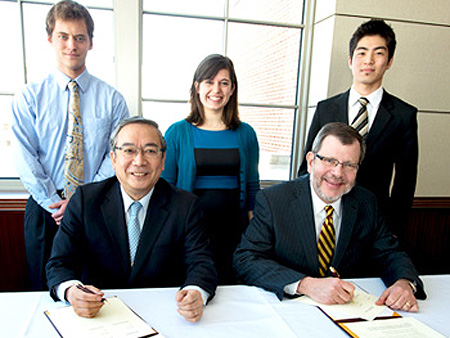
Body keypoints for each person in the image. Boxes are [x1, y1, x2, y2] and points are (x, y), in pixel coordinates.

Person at [234, 122, 426, 312]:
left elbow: (389, 253)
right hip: (289, 310)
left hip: (349, 311)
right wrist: (306, 285)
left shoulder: (366, 202)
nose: (337, 173)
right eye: (329, 161)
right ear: (310, 162)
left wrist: (404, 283)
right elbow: (247, 259)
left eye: (349, 165)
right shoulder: (274, 200)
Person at [46, 117, 217, 322]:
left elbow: (201, 263)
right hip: (100, 315)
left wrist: (195, 292)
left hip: (165, 315)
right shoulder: (85, 201)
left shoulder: (186, 205)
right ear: (113, 158)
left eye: (150, 151)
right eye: (129, 150)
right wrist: (71, 291)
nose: (139, 161)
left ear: (163, 161)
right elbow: (59, 263)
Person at [12, 0, 129, 290]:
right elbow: (24, 156)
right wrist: (54, 202)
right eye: (63, 36)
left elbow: (116, 155)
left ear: (91, 43)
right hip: (45, 209)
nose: (71, 45)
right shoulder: (29, 96)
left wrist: (80, 199)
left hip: (96, 208)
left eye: (79, 37)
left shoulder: (113, 99)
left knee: (92, 290)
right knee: (43, 287)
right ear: (50, 39)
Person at [297, 19, 418, 239]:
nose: (368, 60)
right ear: (350, 60)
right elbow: (307, 166)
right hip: (323, 217)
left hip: (372, 223)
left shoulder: (403, 115)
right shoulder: (326, 109)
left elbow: (405, 182)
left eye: (378, 53)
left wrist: (394, 230)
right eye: (362, 53)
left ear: (389, 61)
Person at [162, 54, 260, 284]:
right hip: (192, 228)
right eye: (209, 82)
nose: (216, 89)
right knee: (195, 286)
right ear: (197, 87)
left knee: (231, 290)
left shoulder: (246, 134)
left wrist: (255, 232)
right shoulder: (177, 133)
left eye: (224, 83)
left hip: (233, 228)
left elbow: (253, 186)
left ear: (232, 89)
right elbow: (166, 187)